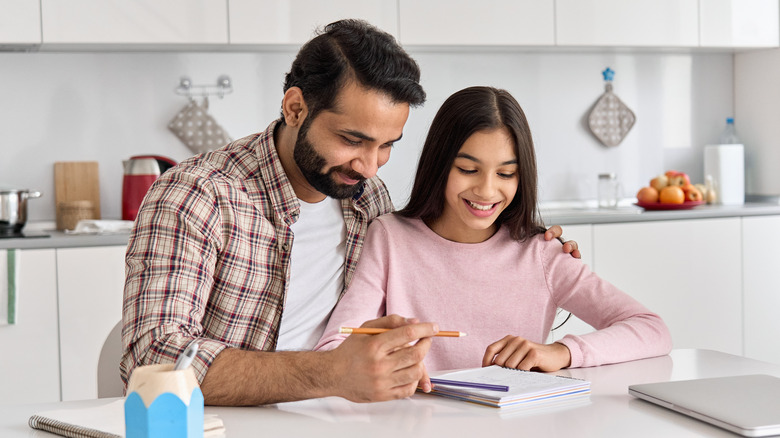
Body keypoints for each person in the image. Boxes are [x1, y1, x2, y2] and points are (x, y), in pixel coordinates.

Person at [121, 20, 578, 406]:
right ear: (296, 107)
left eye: (387, 146)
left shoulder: (366, 197)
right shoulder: (197, 196)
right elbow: (154, 362)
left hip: (342, 417)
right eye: (352, 140)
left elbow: (432, 259)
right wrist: (330, 372)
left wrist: (523, 240)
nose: (368, 165)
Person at [316, 86, 672, 373]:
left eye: (506, 174)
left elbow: (651, 330)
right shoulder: (390, 237)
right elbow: (335, 347)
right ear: (440, 165)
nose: (487, 191)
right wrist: (384, 363)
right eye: (468, 170)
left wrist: (561, 352)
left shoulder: (543, 253)